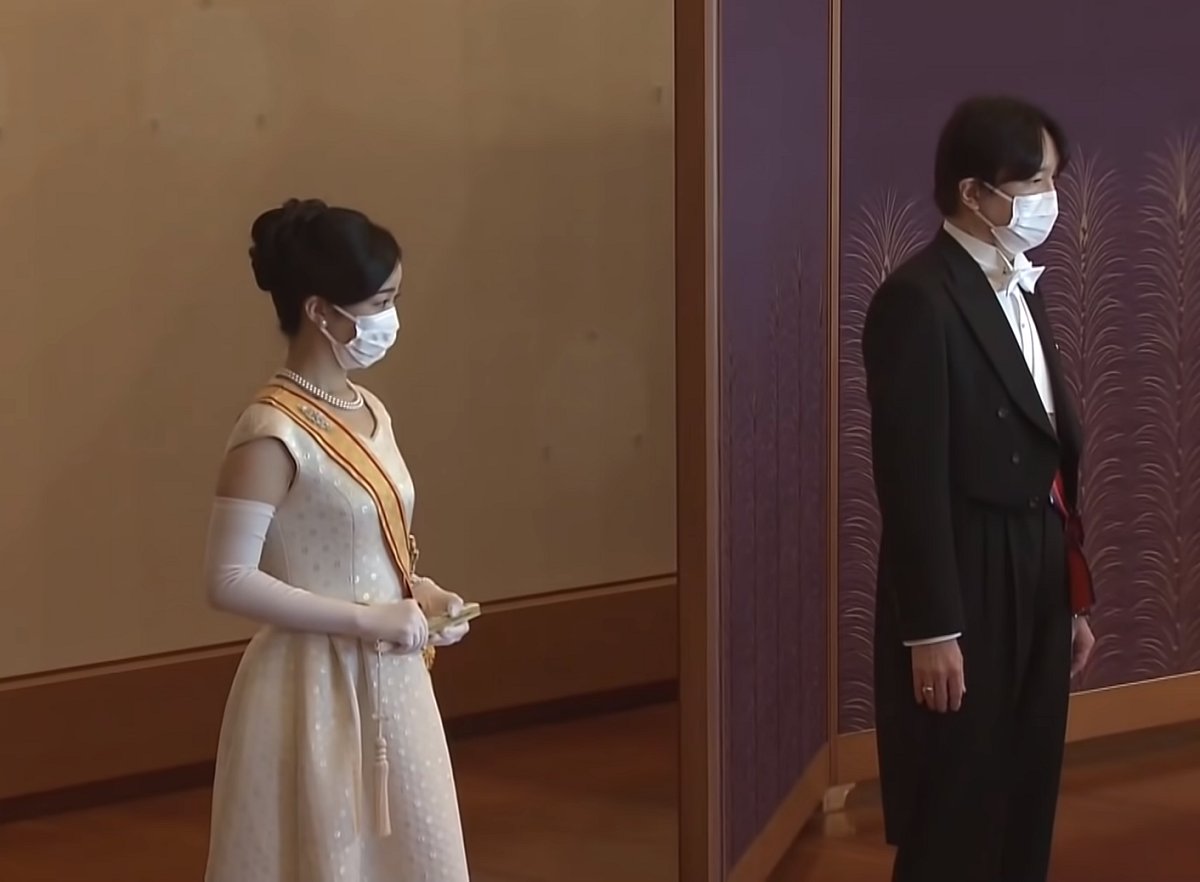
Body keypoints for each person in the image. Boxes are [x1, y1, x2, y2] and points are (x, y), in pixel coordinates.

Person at [862, 96, 1098, 882]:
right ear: (974, 192)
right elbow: (910, 477)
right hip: (967, 569)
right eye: (1031, 183)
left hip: (1035, 561)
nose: (1045, 202)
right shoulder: (917, 301)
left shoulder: (1025, 287)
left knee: (1029, 782)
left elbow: (1049, 447)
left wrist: (1071, 594)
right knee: (959, 795)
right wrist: (931, 628)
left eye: (1050, 181)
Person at [203, 198, 472, 882]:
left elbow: (370, 542)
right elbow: (227, 579)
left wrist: (421, 592)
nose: (391, 318)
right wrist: (365, 618)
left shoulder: (367, 407)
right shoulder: (272, 432)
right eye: (380, 301)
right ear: (323, 312)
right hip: (309, 686)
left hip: (394, 674)